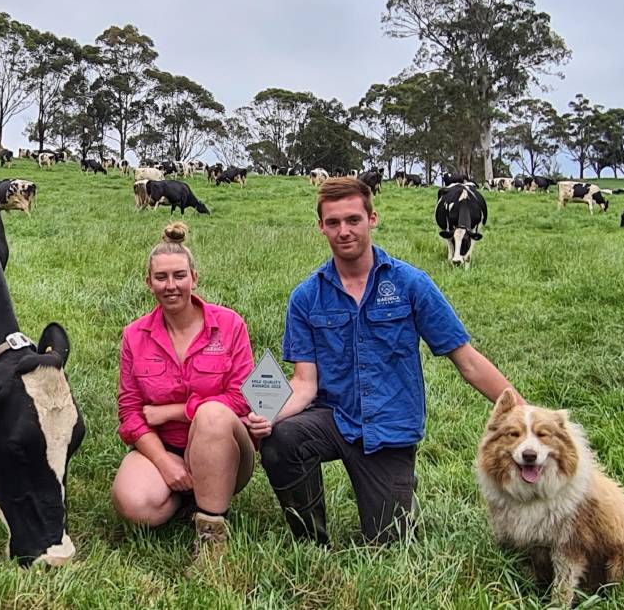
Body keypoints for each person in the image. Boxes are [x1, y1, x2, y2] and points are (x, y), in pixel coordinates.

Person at [246, 177, 516, 546]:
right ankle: (312, 540)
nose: (344, 231)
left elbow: (466, 359)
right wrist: (270, 416)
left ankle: (397, 487)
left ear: (372, 218)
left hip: (389, 429)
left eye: (353, 219)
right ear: (321, 227)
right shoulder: (306, 297)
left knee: (390, 542)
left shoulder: (410, 284)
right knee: (282, 438)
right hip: (334, 419)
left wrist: (521, 410)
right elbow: (305, 382)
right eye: (334, 222)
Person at [111, 222, 256, 565]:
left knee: (213, 414)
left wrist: (174, 411)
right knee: (135, 504)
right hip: (165, 448)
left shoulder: (230, 324)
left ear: (194, 277)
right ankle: (188, 491)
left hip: (226, 447)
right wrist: (163, 462)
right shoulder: (134, 336)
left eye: (179, 276)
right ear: (148, 283)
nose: (171, 286)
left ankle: (211, 534)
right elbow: (130, 413)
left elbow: (241, 398)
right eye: (161, 278)